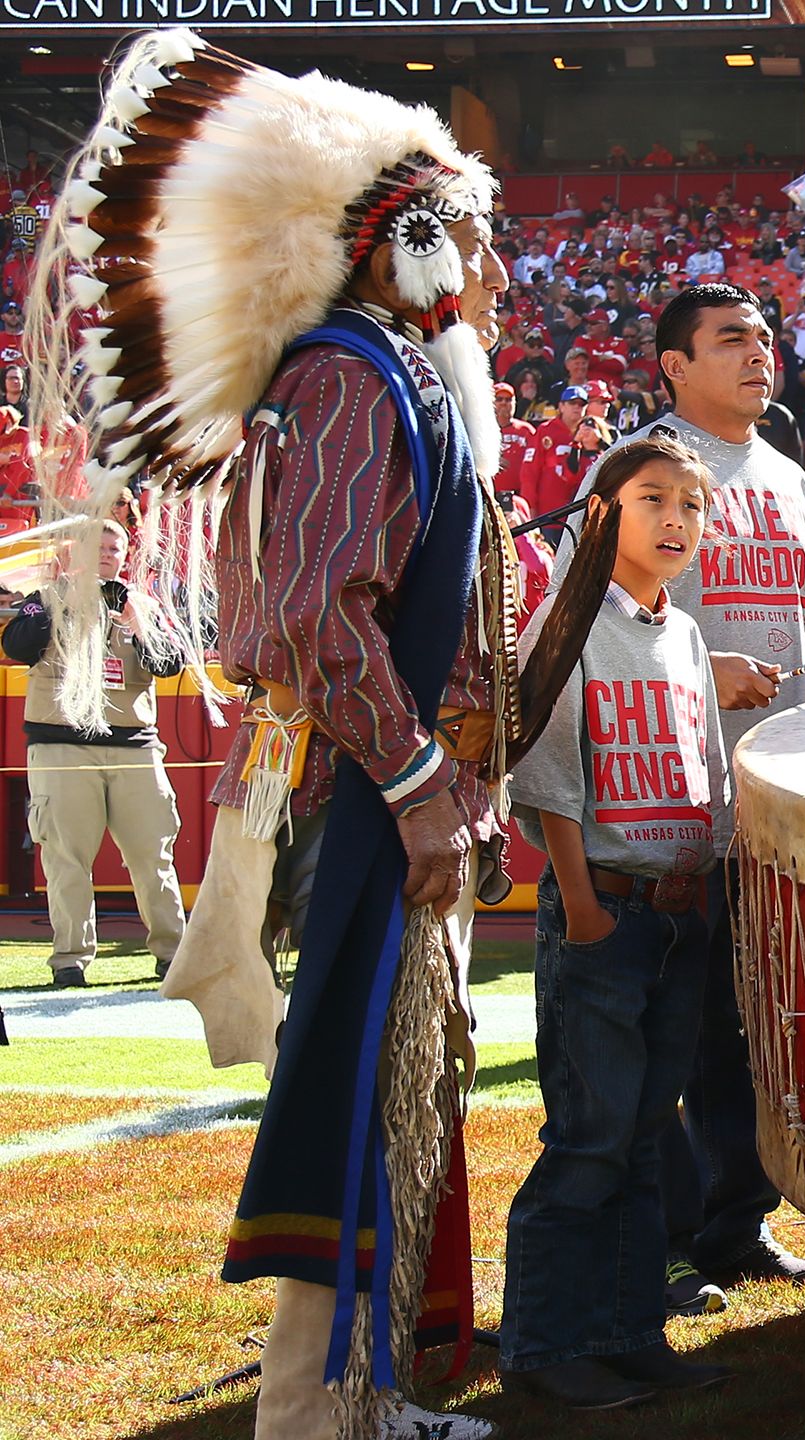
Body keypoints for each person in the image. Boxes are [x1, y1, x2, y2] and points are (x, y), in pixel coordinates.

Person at [34, 32, 516, 1437]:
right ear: (407, 241)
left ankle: (353, 1394)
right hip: (370, 797)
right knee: (352, 1081)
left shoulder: (391, 378)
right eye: (474, 244)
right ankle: (314, 1410)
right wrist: (423, 782)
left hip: (384, 788)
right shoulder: (356, 379)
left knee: (387, 1081)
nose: (494, 278)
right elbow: (307, 608)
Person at [552, 282, 805, 1311]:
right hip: (665, 803)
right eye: (730, 340)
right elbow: (574, 616)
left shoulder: (795, 480)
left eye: (764, 337)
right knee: (659, 1035)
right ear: (673, 366)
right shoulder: (636, 470)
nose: (759, 352)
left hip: (772, 802)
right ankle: (662, 1238)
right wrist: (690, 666)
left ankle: (735, 1222)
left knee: (749, 1024)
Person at [502, 435, 734, 1409]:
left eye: (691, 504)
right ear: (602, 515)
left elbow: (706, 767)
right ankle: (544, 1344)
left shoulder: (681, 633)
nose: (676, 520)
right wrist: (584, 905)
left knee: (644, 1136)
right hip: (608, 908)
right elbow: (547, 774)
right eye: (653, 501)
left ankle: (632, 1330)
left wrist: (714, 878)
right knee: (589, 1135)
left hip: (678, 915)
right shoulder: (566, 620)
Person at [2, 517, 185, 988]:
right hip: (62, 744)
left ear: (126, 555)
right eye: (98, 546)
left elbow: (169, 665)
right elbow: (17, 645)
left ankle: (174, 955)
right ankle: (70, 960)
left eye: (115, 546)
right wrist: (62, 605)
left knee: (154, 855)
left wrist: (139, 624)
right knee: (65, 858)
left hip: (133, 747)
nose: (107, 553)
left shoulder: (142, 604)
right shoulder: (47, 597)